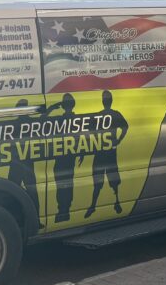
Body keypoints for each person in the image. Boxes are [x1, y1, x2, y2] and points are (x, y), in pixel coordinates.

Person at [85, 90, 129, 217]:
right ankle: (115, 203)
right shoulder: (115, 114)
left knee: (101, 180)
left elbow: (89, 129)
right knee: (112, 178)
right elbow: (125, 127)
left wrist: (97, 139)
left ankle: (96, 206)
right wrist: (118, 140)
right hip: (109, 152)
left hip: (102, 152)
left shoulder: (99, 115)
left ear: (103, 102)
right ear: (111, 101)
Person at [46, 93, 82, 222]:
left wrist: (52, 107)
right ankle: (65, 210)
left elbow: (42, 119)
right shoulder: (77, 120)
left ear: (63, 105)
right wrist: (81, 154)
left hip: (60, 159)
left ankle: (62, 211)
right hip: (70, 159)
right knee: (68, 184)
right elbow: (83, 138)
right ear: (73, 105)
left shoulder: (58, 119)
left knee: (60, 185)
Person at [8, 99, 43, 227]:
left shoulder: (13, 123)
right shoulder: (32, 122)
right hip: (27, 164)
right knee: (33, 192)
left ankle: (12, 218)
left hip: (16, 163)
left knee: (10, 192)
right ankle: (38, 220)